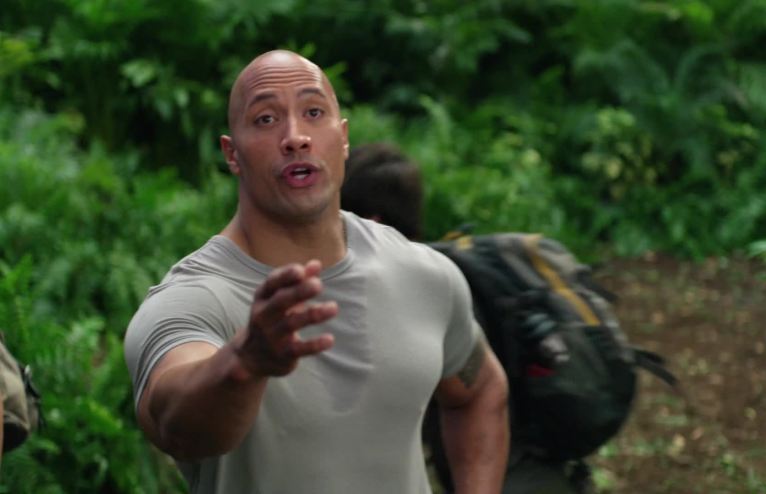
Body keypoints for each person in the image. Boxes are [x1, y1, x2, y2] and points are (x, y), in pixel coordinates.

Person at [123, 50, 509, 494]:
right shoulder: (195, 299)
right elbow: (176, 428)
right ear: (232, 154)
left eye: (313, 112)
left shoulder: (421, 273)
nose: (295, 138)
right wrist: (244, 362)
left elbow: (481, 389)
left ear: (342, 138)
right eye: (266, 119)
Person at [342, 142, 592, 494]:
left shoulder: (420, 293)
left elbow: (480, 395)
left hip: (512, 477)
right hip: (545, 470)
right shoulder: (442, 278)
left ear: (371, 222)